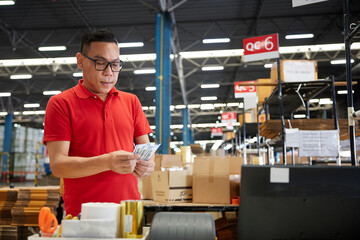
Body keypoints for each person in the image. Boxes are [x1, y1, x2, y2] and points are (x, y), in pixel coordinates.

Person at [43, 29, 155, 216]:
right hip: (83, 215)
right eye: (101, 63)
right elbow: (58, 165)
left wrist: (148, 165)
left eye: (115, 64)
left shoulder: (131, 101)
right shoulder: (62, 104)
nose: (109, 72)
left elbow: (146, 150)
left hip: (129, 212)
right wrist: (107, 161)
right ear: (80, 60)